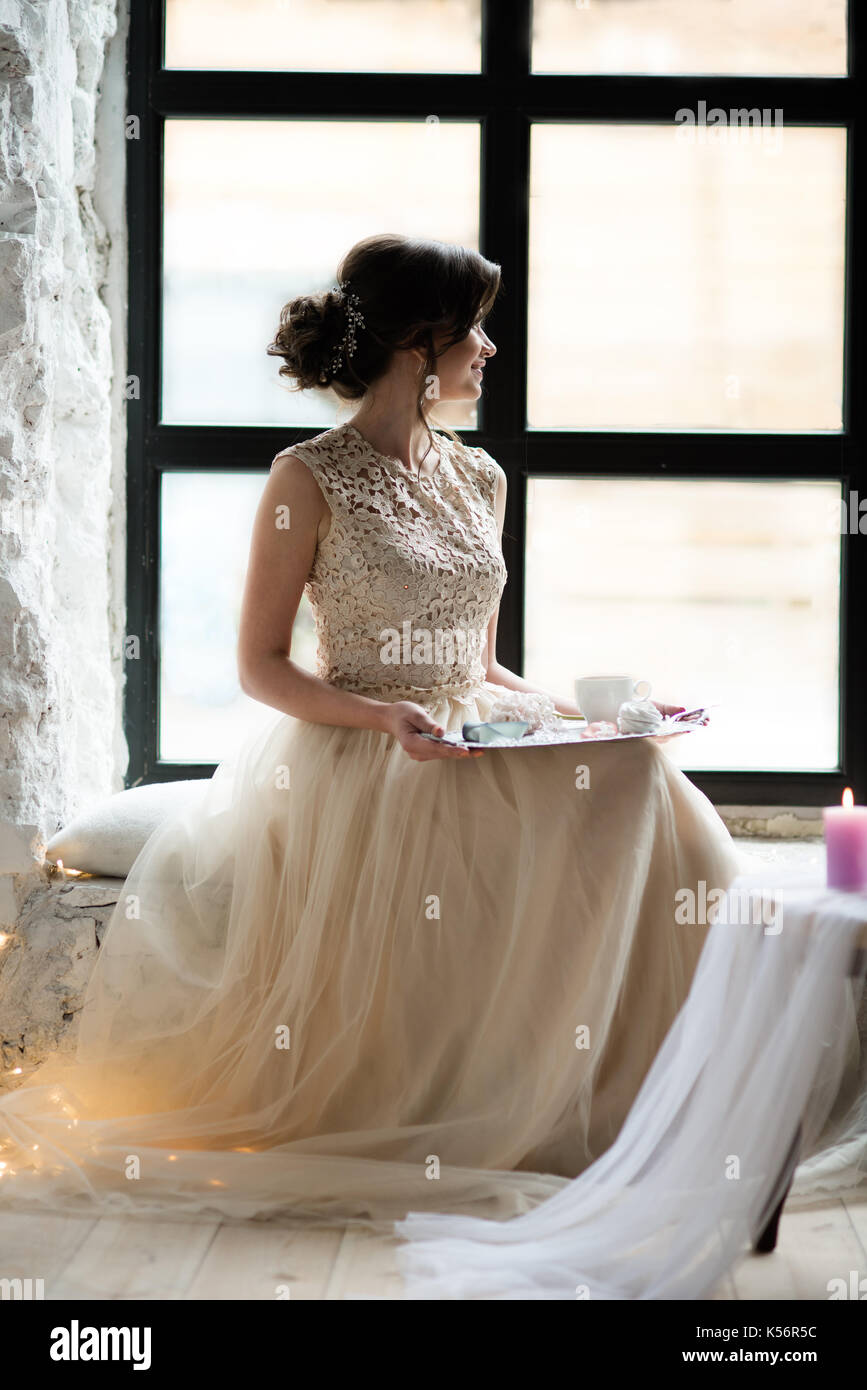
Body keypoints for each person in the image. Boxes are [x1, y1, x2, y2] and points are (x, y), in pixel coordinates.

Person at [0, 233, 749, 1255]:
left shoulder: (477, 477)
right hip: (365, 750)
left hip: (471, 734)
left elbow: (483, 663)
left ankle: (629, 1096)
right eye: (476, 330)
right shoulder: (304, 478)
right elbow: (263, 665)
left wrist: (587, 710)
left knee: (637, 769)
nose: (489, 351)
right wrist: (384, 719)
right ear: (423, 343)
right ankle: (480, 1101)